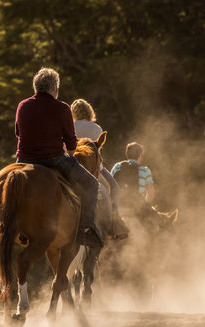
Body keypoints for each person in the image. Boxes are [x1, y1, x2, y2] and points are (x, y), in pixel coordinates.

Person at [14, 68, 103, 248]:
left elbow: (18, 132)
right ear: (54, 87)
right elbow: (71, 145)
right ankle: (85, 230)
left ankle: (14, 225)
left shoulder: (22, 105)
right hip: (53, 159)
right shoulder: (62, 108)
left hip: (23, 160)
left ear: (36, 87)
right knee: (92, 184)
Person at [70, 99, 129, 239]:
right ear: (89, 111)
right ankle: (114, 221)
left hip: (71, 166)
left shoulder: (69, 125)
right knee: (114, 187)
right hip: (94, 168)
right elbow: (98, 155)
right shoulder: (97, 128)